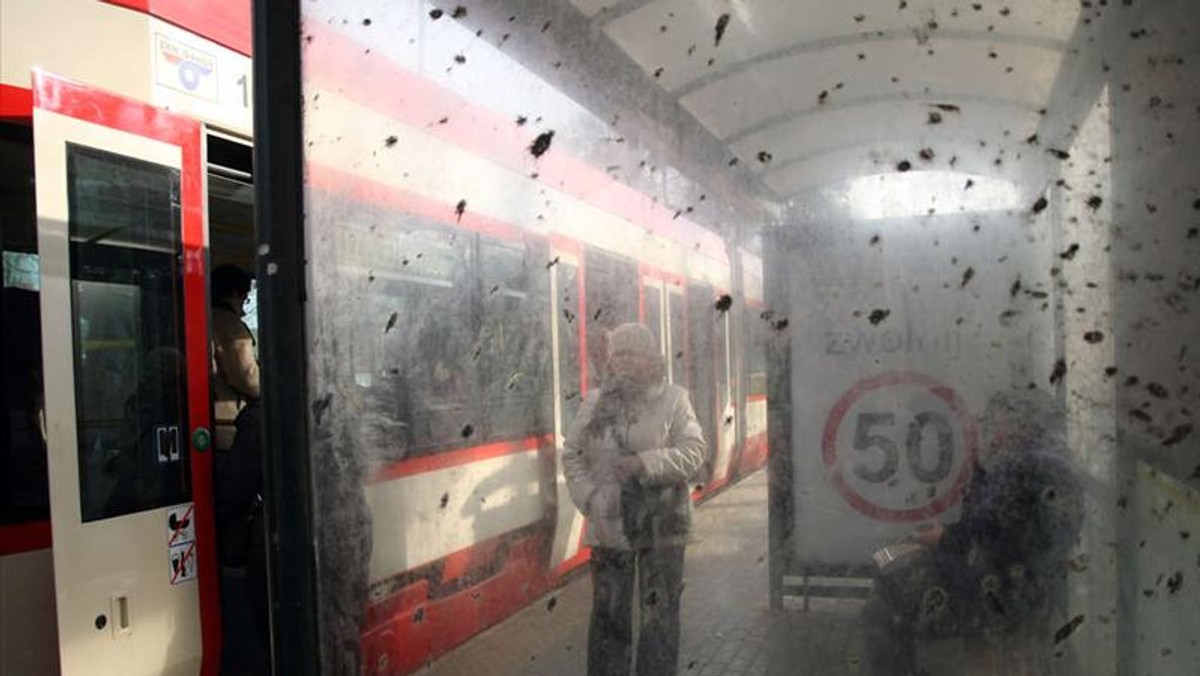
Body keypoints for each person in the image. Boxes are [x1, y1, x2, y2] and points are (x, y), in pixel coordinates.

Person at [862, 390, 1085, 676]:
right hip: (1025, 586)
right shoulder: (1052, 462)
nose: (992, 429)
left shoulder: (1021, 467)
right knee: (892, 564)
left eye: (1000, 422)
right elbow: (998, 530)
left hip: (996, 588)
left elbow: (992, 535)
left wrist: (943, 538)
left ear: (1024, 425)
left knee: (886, 588)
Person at [562, 323, 707, 676]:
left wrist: (645, 463)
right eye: (618, 354)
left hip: (663, 525)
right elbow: (573, 455)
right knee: (609, 618)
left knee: (659, 620)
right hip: (610, 523)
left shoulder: (673, 399)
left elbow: (695, 451)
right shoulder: (595, 402)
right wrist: (592, 498)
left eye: (633, 353)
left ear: (650, 358)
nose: (624, 361)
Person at [211, 265, 259, 452]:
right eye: (244, 298)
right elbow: (247, 376)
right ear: (232, 294)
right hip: (228, 423)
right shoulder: (229, 324)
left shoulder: (204, 318)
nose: (243, 309)